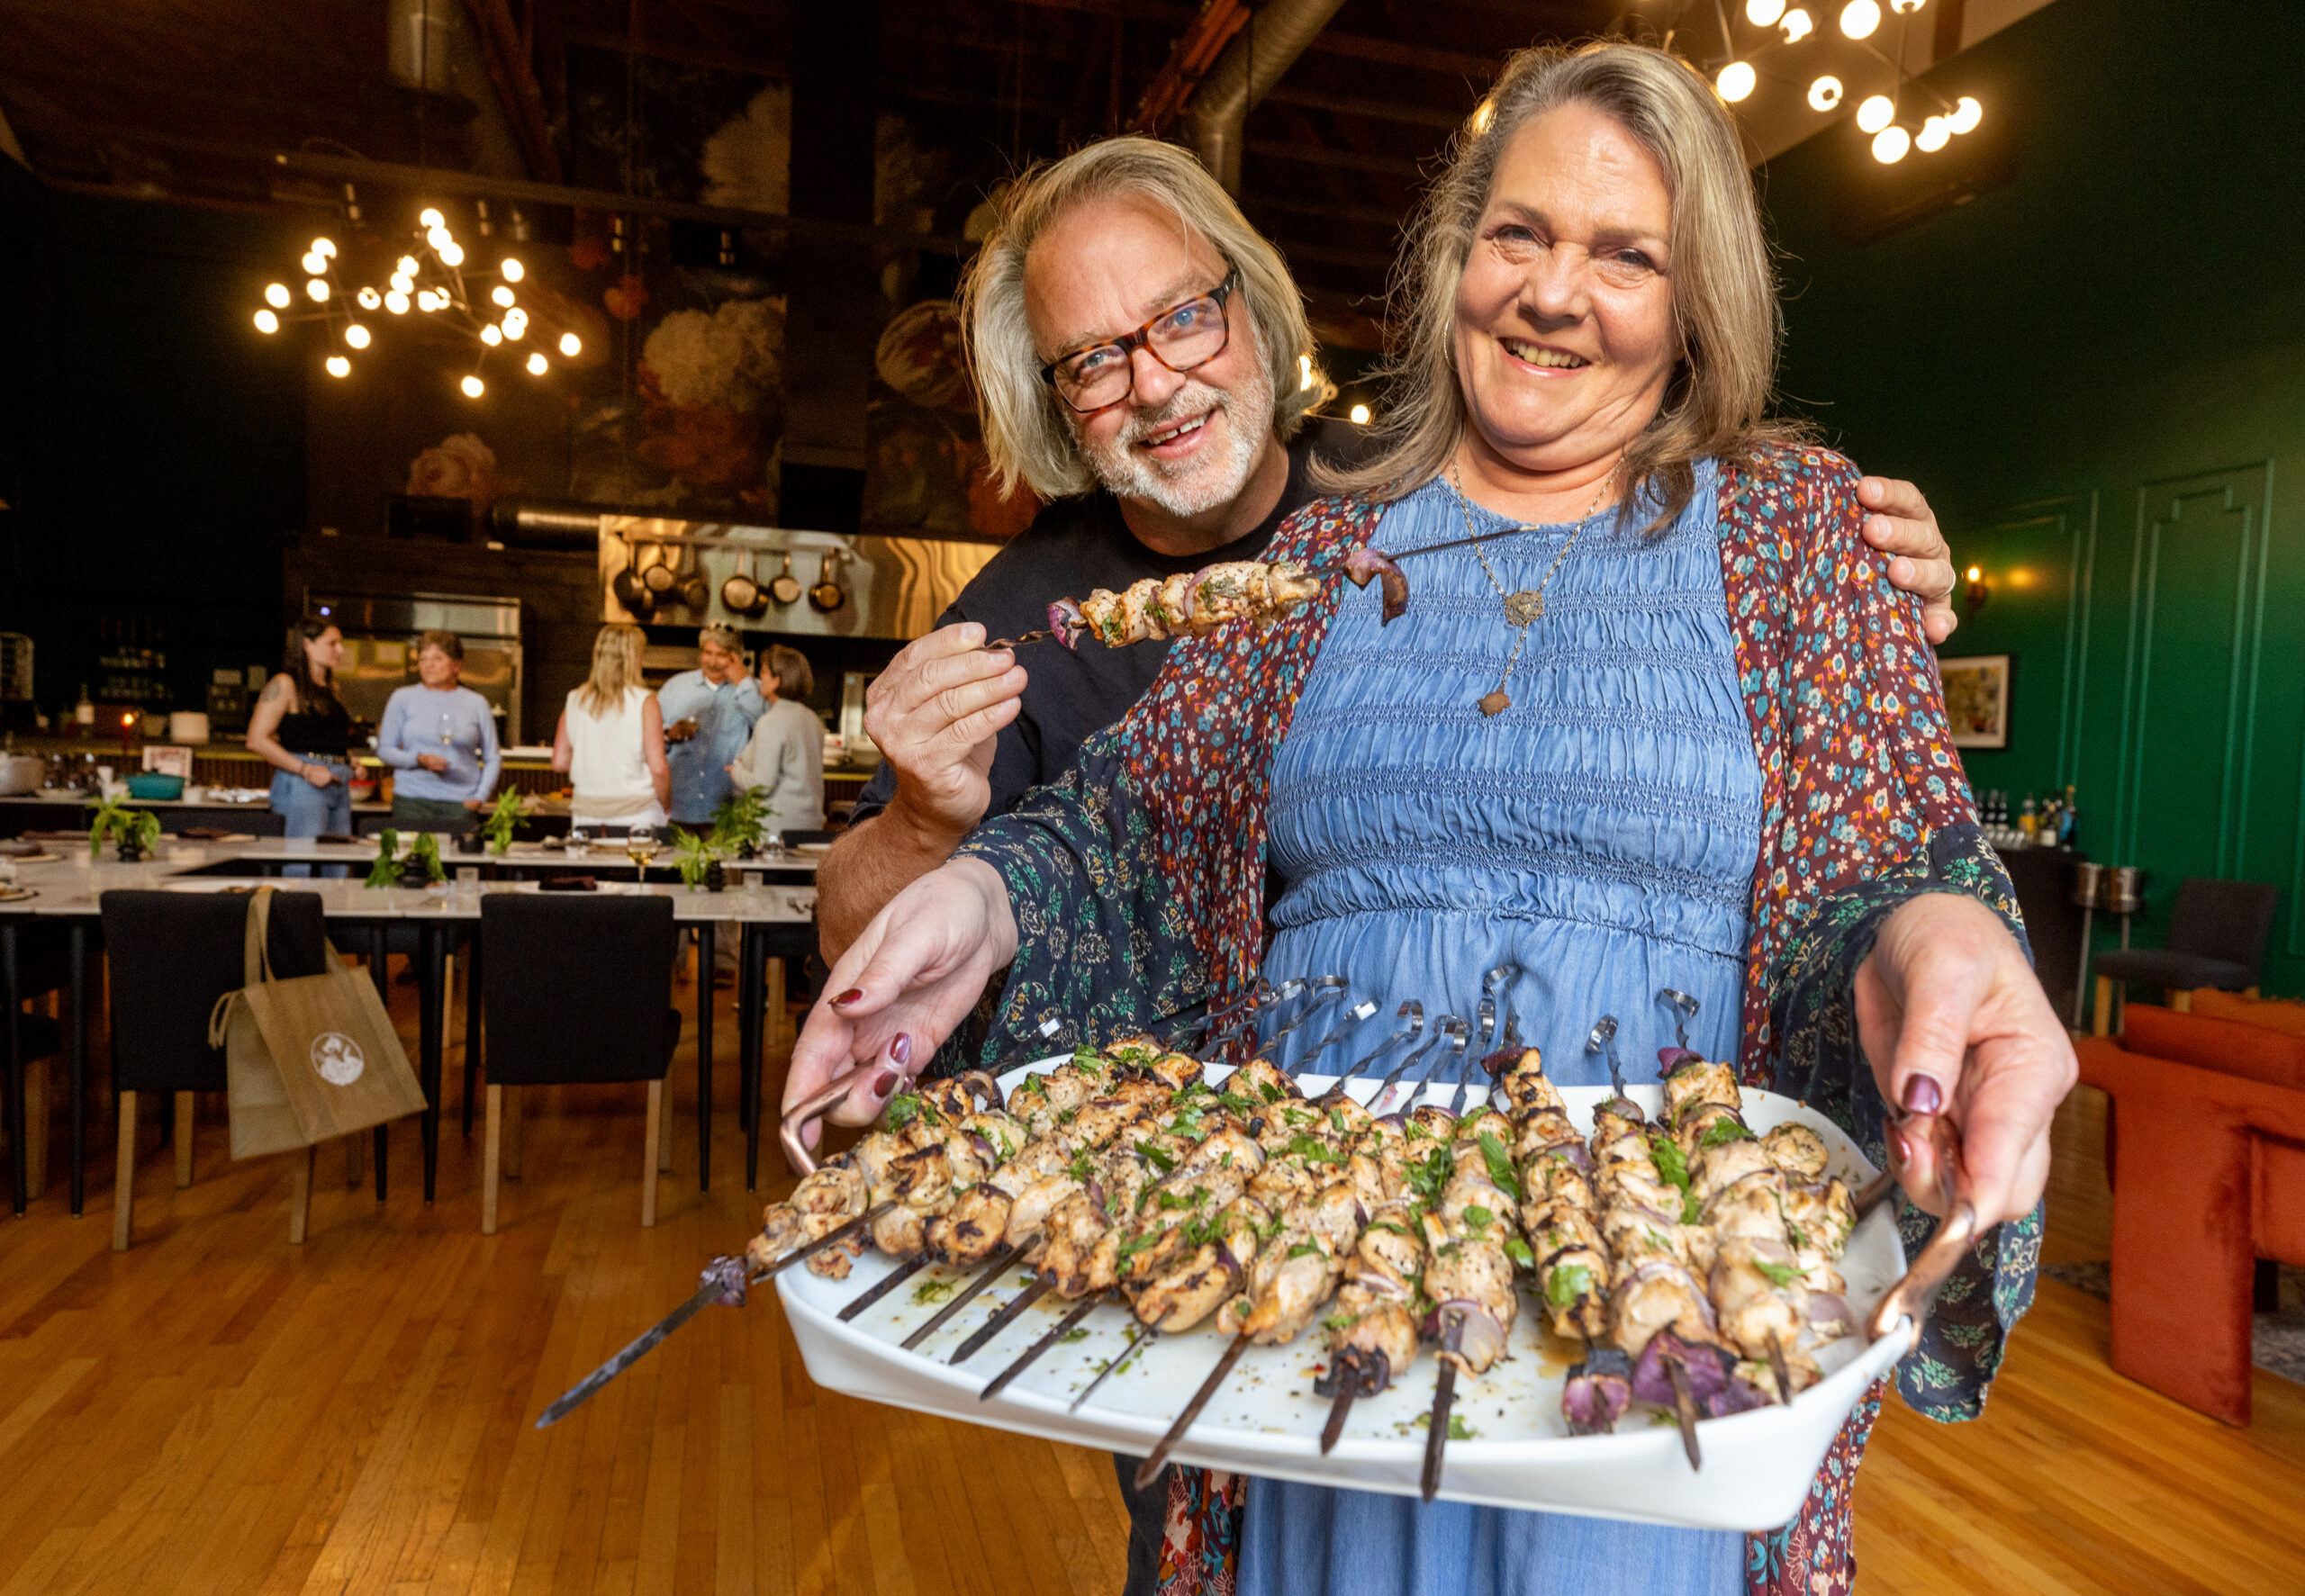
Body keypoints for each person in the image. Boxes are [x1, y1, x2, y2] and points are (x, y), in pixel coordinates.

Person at [788, 43, 2075, 1596]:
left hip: (1659, 1322)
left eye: (1626, 254)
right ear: (1454, 255)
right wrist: (976, 898)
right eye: (1517, 233)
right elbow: (1116, 840)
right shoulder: (1325, 554)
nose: (1553, 290)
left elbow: (1904, 861)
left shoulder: (1801, 537)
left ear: (1696, 299)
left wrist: (1952, 936)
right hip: (1320, 1312)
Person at [815, 136, 1962, 962]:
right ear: (1056, 403)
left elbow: (1613, 526)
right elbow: (858, 933)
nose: (1156, 383)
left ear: (1251, 308)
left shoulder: (1397, 491)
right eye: (1094, 361)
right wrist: (922, 821)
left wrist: (1841, 588)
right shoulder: (1020, 606)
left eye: (1179, 317)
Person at [375, 629, 501, 834]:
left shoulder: (476, 703)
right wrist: (419, 759)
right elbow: (385, 750)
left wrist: (480, 797)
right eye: (423, 659)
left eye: (437, 658)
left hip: (460, 804)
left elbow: (493, 757)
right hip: (411, 801)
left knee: (456, 864)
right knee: (412, 863)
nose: (428, 665)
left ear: (456, 665)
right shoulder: (402, 698)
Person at [553, 623, 670, 833]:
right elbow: (659, 769)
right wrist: (667, 805)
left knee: (592, 867)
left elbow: (560, 762)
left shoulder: (575, 700)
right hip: (638, 815)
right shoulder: (645, 701)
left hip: (586, 816)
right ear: (634, 658)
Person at [246, 618, 354, 842]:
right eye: (332, 643)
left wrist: (349, 761)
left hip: (338, 782)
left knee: (339, 863)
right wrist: (306, 769)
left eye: (340, 643)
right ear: (307, 644)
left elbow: (325, 737)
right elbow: (256, 740)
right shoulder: (285, 683)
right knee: (302, 862)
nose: (340, 650)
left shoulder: (332, 687)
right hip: (303, 783)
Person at [657, 624, 762, 827]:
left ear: (735, 658)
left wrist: (742, 681)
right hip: (679, 810)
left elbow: (765, 725)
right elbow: (651, 739)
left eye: (721, 655)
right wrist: (670, 735)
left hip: (728, 812)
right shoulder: (675, 687)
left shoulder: (752, 690)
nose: (712, 662)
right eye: (708, 653)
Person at [727, 644, 826, 833]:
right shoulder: (812, 719)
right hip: (811, 825)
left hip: (776, 830)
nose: (760, 678)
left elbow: (762, 786)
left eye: (764, 672)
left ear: (776, 680)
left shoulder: (770, 721)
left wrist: (736, 771)